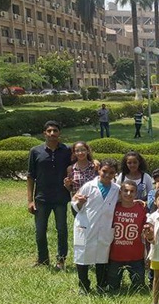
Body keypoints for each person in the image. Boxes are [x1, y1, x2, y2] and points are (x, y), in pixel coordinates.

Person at [71, 159, 121, 294]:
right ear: (99, 170)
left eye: (111, 173)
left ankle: (101, 284)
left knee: (102, 257)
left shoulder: (117, 189)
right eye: (104, 171)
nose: (107, 175)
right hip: (86, 226)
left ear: (115, 174)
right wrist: (80, 202)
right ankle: (83, 285)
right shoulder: (88, 186)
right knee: (82, 256)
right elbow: (74, 203)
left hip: (105, 228)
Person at [27, 120, 72, 270]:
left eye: (55, 131)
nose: (52, 133)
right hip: (41, 198)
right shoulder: (35, 151)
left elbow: (83, 158)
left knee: (62, 230)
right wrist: (30, 200)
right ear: (44, 133)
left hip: (60, 198)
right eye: (49, 131)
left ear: (59, 133)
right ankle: (43, 259)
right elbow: (30, 177)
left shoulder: (67, 150)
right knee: (40, 231)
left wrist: (95, 161)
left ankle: (61, 260)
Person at [107, 180, 147, 292]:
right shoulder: (113, 207)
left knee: (139, 288)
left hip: (136, 255)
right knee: (112, 288)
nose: (128, 194)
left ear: (136, 193)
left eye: (132, 191)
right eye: (126, 191)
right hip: (115, 255)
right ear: (120, 192)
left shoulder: (142, 208)